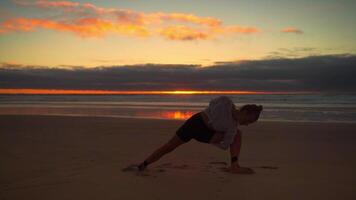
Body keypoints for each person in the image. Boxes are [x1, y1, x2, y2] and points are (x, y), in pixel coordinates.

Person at [137, 96, 263, 174]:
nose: (246, 124)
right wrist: (218, 120)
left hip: (207, 134)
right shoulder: (226, 102)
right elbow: (212, 104)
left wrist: (216, 141)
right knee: (169, 146)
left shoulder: (233, 127)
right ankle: (144, 164)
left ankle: (234, 165)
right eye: (248, 121)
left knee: (237, 134)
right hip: (195, 123)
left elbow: (225, 146)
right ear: (245, 112)